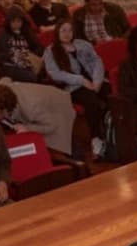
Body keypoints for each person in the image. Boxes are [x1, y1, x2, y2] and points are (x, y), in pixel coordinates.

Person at [44, 21, 108, 154]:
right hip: (73, 87)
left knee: (114, 96)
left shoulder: (82, 44)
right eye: (63, 31)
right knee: (92, 102)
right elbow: (55, 73)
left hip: (95, 81)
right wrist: (81, 80)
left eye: (70, 30)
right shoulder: (51, 50)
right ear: (57, 32)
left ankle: (114, 133)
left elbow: (97, 62)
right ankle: (96, 138)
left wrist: (97, 81)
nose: (67, 34)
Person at [0, 80, 76, 155]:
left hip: (58, 107)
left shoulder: (31, 108)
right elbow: (6, 79)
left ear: (4, 110)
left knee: (58, 145)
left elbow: (51, 125)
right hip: (40, 104)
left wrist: (27, 128)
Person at [0, 6, 44, 83]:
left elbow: (39, 48)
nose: (16, 24)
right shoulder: (1, 34)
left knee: (43, 72)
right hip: (9, 65)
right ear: (8, 22)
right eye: (13, 21)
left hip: (29, 62)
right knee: (31, 77)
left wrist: (29, 55)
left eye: (19, 21)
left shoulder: (27, 32)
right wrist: (11, 55)